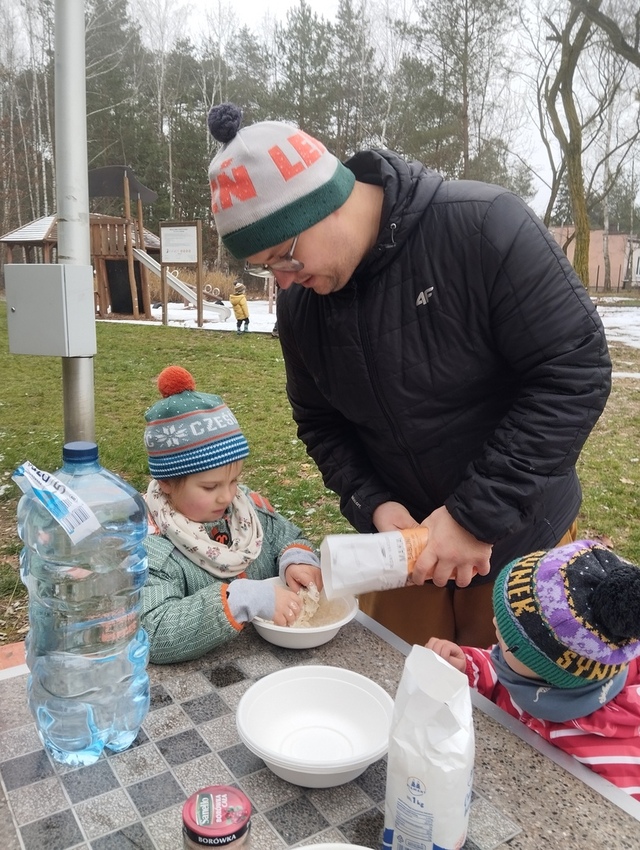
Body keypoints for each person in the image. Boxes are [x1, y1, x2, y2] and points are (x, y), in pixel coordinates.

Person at [206, 102, 611, 647]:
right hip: (400, 555)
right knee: (395, 682)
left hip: (521, 540)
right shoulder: (302, 304)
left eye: (285, 257)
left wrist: (474, 518)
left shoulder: (484, 227)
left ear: (326, 204)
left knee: (508, 694)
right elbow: (320, 423)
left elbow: (574, 370)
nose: (282, 282)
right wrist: (372, 503)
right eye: (266, 268)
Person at [426, 539, 640, 801]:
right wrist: (469, 667)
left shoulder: (612, 765)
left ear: (550, 674)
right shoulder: (535, 673)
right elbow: (503, 671)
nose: (494, 623)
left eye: (509, 640)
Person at [141, 365, 322, 664]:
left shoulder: (244, 508)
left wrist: (297, 559)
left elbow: (284, 535)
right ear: (167, 483)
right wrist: (239, 599)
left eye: (234, 480)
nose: (226, 496)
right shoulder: (152, 547)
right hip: (214, 674)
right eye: (210, 486)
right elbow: (153, 632)